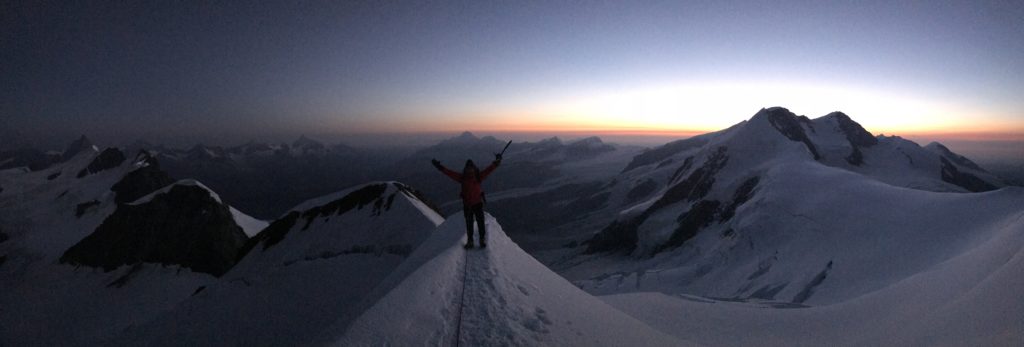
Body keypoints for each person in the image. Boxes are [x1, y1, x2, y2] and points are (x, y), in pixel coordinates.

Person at [432, 154, 501, 248]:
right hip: (469, 205)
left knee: (479, 222)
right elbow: (449, 173)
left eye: (470, 168)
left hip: (475, 204)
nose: (469, 170)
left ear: (473, 168)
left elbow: (488, 170)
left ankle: (480, 240)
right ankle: (472, 241)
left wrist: (496, 163)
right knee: (470, 224)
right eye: (468, 168)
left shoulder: (475, 177)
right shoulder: (466, 177)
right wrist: (439, 167)